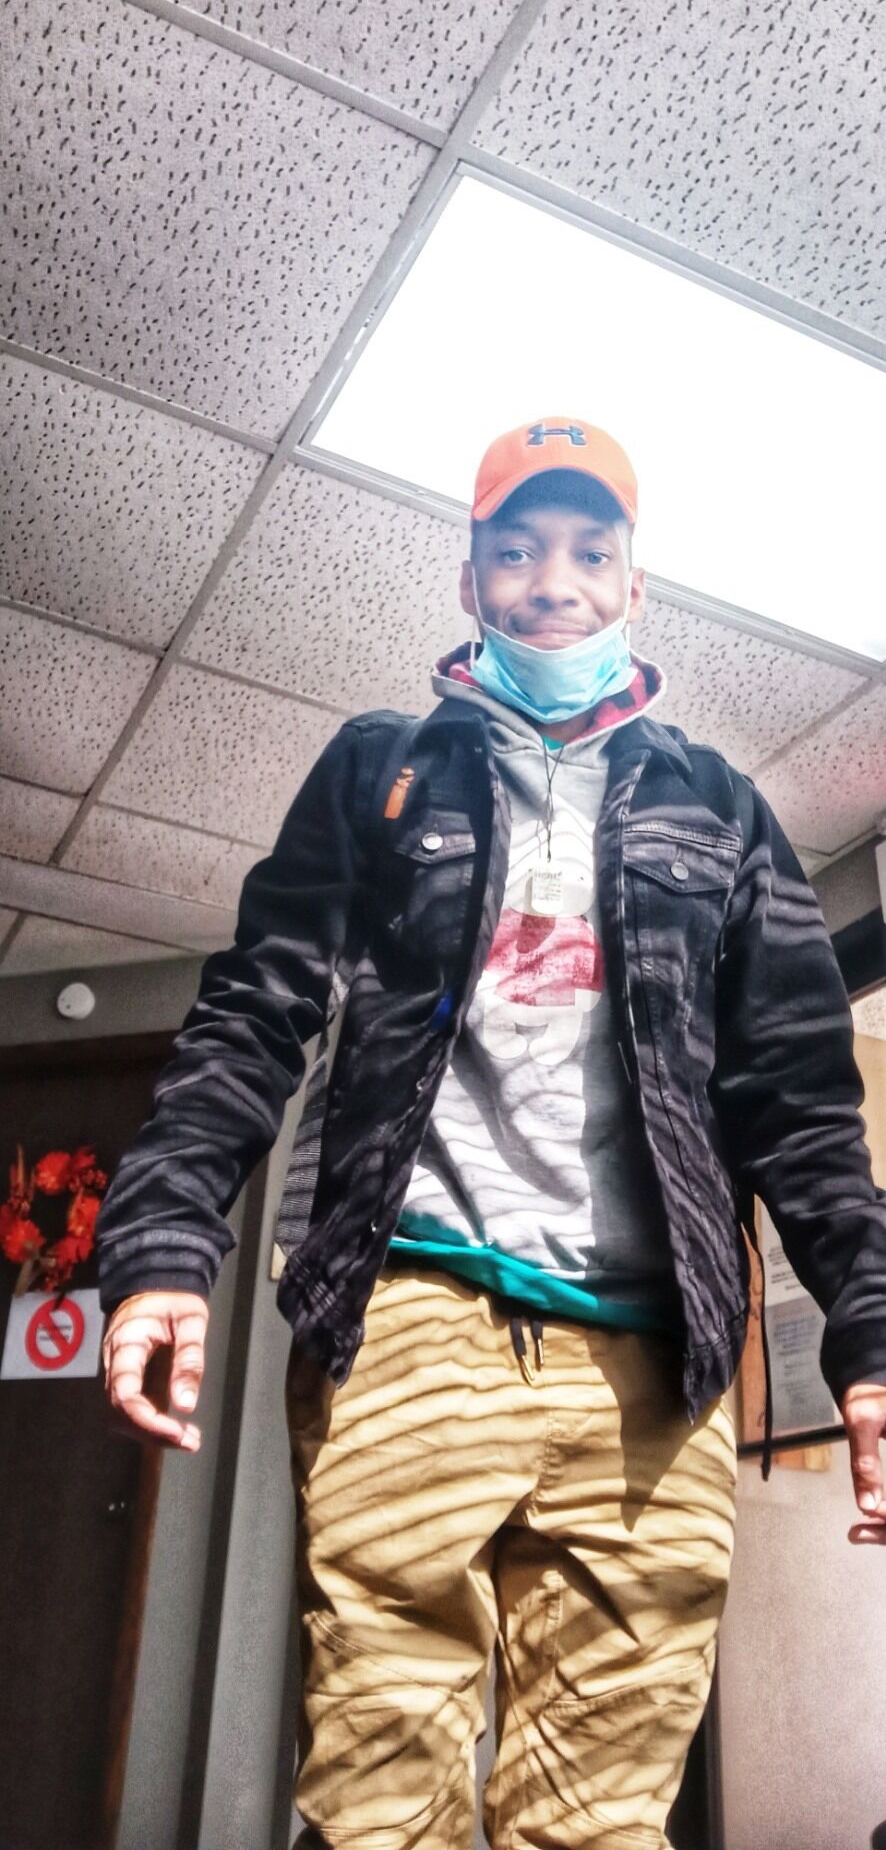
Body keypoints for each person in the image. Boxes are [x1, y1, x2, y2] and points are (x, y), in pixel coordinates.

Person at [98, 416, 886, 1848]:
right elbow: (254, 1012)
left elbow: (799, 1103)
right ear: (470, 581)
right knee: (376, 1798)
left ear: (635, 582)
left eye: (589, 552)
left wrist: (873, 1339)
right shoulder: (381, 770)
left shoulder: (721, 809)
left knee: (602, 1821)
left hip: (654, 1363)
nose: (553, 583)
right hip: (416, 1320)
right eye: (516, 552)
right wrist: (162, 1240)